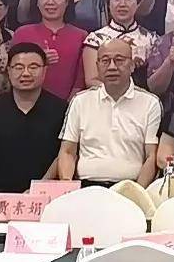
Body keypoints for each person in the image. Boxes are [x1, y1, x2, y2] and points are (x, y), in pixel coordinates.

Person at [53, 38, 163, 186]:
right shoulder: (80, 101)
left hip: (130, 186)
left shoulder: (150, 103)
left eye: (119, 60)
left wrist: (137, 192)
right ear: (97, 66)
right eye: (105, 61)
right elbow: (67, 151)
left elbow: (151, 156)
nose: (112, 67)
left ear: (132, 65)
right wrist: (68, 185)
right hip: (86, 186)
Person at [0, 43, 70, 196]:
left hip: (48, 194)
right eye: (18, 67)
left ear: (45, 70)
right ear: (8, 71)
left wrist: (39, 188)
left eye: (33, 67)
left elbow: (67, 153)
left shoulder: (62, 109)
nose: (26, 73)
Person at [10, 0, 89, 101]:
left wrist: (69, 106)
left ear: (67, 1)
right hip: (27, 103)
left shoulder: (81, 36)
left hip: (69, 105)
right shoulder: (22, 34)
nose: (50, 2)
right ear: (36, 1)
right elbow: (12, 72)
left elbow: (80, 81)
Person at [81, 0, 156, 89]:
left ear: (138, 3)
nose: (122, 4)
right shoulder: (95, 39)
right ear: (108, 4)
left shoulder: (152, 39)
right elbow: (92, 80)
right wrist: (122, 92)